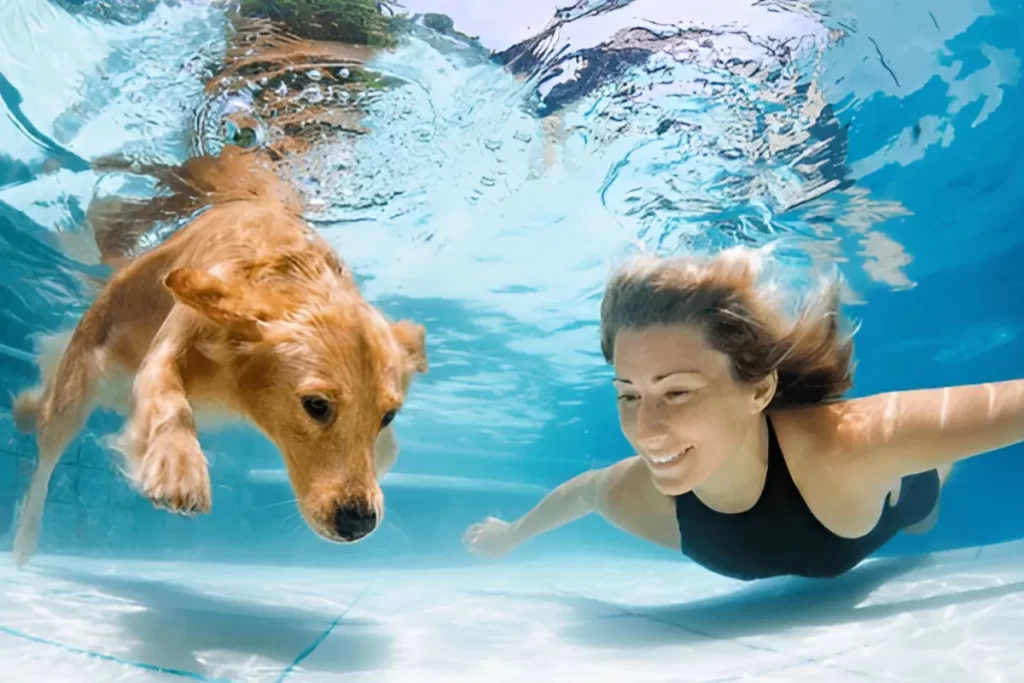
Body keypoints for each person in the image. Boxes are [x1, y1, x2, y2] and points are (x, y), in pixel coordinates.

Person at [462, 247, 1024, 581]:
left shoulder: (846, 444)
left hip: (897, 494)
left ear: (759, 390)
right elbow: (583, 491)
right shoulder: (641, 495)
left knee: (925, 507)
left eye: (678, 392)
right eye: (628, 394)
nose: (645, 430)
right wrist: (512, 534)